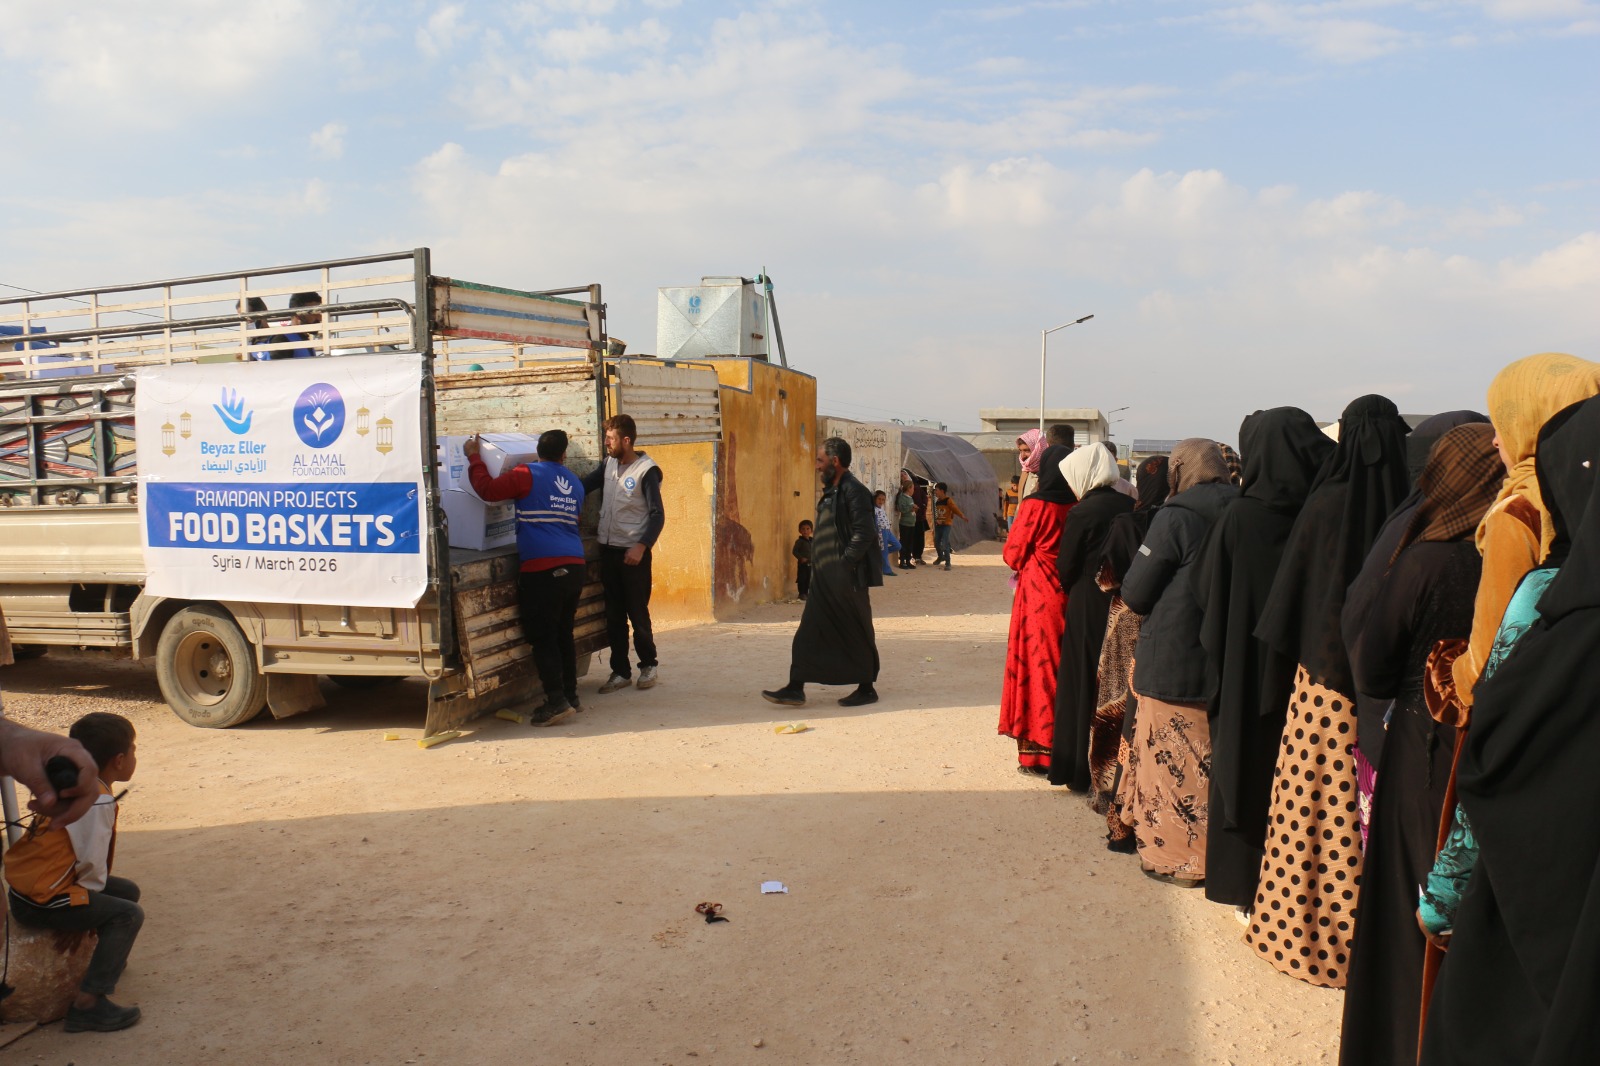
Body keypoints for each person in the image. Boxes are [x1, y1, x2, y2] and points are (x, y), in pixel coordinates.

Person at [1418, 394, 1600, 1065]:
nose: (1497, 443)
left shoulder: (1555, 605)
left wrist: (1442, 898)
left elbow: (1497, 762)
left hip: (1530, 935)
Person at [1335, 424, 1501, 1066]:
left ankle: (1402, 1043)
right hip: (1493, 750)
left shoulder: (1426, 561)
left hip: (1423, 750)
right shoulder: (1518, 557)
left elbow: (1372, 670)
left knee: (1412, 904)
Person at [1245, 394, 1411, 987]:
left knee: (1313, 806)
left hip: (1323, 684)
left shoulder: (1324, 504)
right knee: (1375, 807)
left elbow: (1289, 601)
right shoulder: (1412, 510)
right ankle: (1378, 947)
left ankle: (1302, 935)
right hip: (1391, 690)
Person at [1193, 409, 1333, 913]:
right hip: (1306, 669)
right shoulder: (1322, 513)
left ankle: (1239, 884)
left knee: (1243, 760)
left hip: (1244, 665)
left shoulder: (1239, 517)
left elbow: (1206, 592)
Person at [1116, 439, 1238, 885]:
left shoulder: (1176, 515)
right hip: (1226, 657)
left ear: (1180, 470)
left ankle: (1179, 860)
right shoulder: (1243, 508)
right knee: (1209, 763)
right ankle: (1214, 855)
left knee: (1170, 763)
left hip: (1173, 654)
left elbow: (1136, 591)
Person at [4, 712, 142, 1033]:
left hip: (30, 888)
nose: (135, 756)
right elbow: (91, 866)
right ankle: (88, 1004)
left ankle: (108, 961)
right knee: (128, 915)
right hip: (43, 898)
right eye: (134, 750)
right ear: (119, 760)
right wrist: (80, 916)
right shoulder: (97, 801)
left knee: (127, 891)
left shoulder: (76, 786)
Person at [464, 429, 587, 725]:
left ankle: (556, 702)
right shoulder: (575, 483)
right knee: (563, 633)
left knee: (543, 637)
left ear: (537, 452)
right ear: (564, 454)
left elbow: (488, 490)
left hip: (543, 568)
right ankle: (570, 696)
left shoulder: (526, 474)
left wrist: (474, 457)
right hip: (575, 565)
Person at [762, 438, 881, 708]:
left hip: (845, 578)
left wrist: (844, 563)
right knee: (809, 631)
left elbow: (865, 533)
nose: (816, 466)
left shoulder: (854, 491)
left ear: (834, 461)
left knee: (855, 629)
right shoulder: (833, 491)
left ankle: (866, 688)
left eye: (820, 460)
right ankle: (795, 687)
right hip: (824, 578)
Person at [1092, 454, 1169, 842]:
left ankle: (1111, 791)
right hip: (1164, 623)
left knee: (1117, 701)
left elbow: (1106, 580)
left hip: (1125, 620)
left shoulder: (1126, 523)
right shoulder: (1174, 521)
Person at [1048, 445, 1133, 791]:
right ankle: (1112, 769)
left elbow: (1065, 565)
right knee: (1113, 681)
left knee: (1080, 679)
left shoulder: (1082, 512)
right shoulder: (1130, 504)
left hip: (1086, 599)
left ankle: (1077, 770)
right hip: (1122, 602)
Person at [998, 443, 1076, 774]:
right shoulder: (1077, 505)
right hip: (1068, 596)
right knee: (1060, 669)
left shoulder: (1034, 505)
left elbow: (1012, 554)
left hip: (1036, 598)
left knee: (1036, 669)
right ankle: (1066, 746)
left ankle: (1039, 753)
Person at [582, 414, 665, 694]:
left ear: (626, 440)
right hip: (609, 553)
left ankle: (648, 665)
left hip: (634, 556)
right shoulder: (608, 465)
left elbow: (657, 515)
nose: (606, 443)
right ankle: (620, 672)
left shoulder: (646, 470)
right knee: (614, 616)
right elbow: (584, 485)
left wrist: (641, 546)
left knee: (638, 614)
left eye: (610, 438)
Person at [931, 483, 967, 570]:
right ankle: (940, 557)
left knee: (945, 543)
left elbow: (955, 509)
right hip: (939, 525)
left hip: (946, 525)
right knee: (936, 542)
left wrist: (962, 516)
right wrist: (937, 520)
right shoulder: (937, 502)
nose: (935, 492)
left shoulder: (948, 500)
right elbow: (937, 514)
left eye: (936, 490)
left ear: (942, 491)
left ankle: (948, 562)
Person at [873, 490, 900, 577]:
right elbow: (875, 523)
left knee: (898, 545)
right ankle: (887, 570)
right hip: (881, 531)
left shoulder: (881, 509)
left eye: (883, 500)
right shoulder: (874, 510)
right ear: (875, 499)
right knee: (884, 551)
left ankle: (881, 554)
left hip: (888, 531)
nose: (881, 501)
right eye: (879, 499)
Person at [1016, 429, 1045, 500]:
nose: (1022, 456)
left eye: (1026, 450)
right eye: (1020, 451)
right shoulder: (1025, 471)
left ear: (1038, 449)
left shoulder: (1049, 473)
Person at [895, 477, 917, 568]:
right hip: (905, 523)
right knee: (904, 542)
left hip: (911, 523)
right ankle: (902, 561)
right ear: (908, 488)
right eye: (912, 488)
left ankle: (908, 561)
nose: (913, 490)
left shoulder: (910, 498)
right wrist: (911, 508)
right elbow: (901, 509)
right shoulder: (902, 498)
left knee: (910, 543)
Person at [793, 520, 813, 600]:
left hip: (811, 564)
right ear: (799, 530)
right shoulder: (799, 541)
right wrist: (801, 558)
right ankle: (801, 593)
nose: (805, 531)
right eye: (803, 529)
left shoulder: (812, 541)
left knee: (809, 579)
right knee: (802, 579)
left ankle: (806, 593)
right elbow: (794, 551)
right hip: (803, 564)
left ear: (811, 530)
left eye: (808, 529)